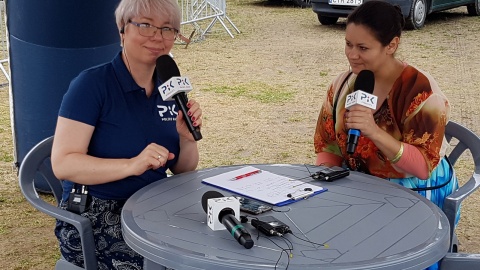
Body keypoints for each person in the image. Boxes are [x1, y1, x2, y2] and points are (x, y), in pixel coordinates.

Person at [51, 0, 202, 269]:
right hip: (95, 213)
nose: (157, 37)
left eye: (168, 29)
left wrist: (185, 139)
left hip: (155, 206)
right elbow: (64, 163)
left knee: (213, 243)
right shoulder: (91, 85)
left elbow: (184, 169)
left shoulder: (169, 89)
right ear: (123, 29)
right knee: (175, 261)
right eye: (145, 25)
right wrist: (132, 165)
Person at [313, 2, 458, 268]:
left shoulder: (421, 91)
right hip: (359, 181)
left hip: (413, 185)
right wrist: (328, 184)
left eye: (363, 48)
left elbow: (422, 167)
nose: (352, 55)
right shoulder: (343, 83)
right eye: (348, 44)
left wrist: (373, 132)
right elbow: (328, 145)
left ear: (391, 45)